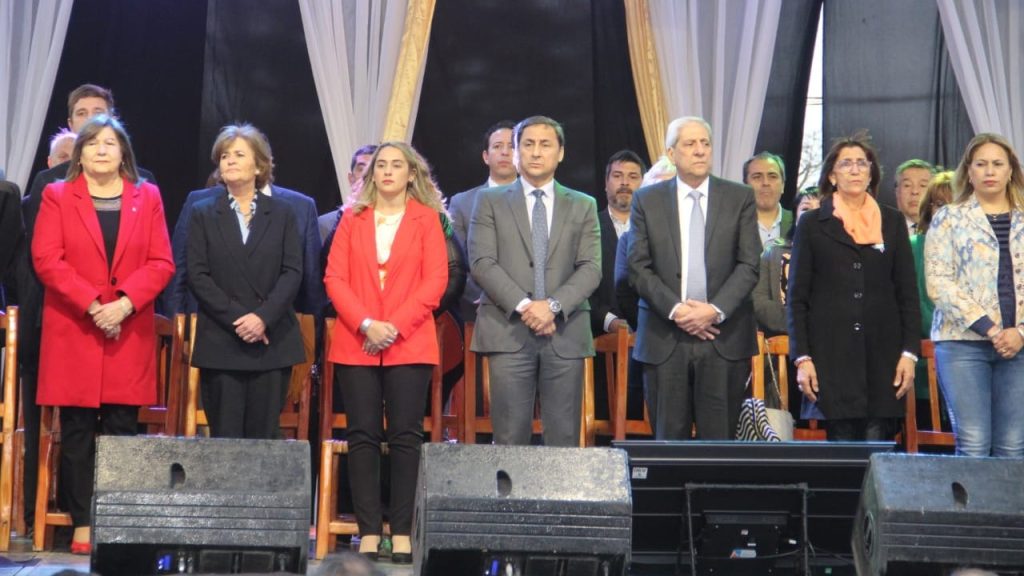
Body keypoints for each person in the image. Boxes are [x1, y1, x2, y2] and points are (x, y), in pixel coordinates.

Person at [19, 83, 158, 534]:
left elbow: (162, 262)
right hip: (75, 328)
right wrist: (95, 305)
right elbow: (46, 259)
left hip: (126, 330)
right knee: (77, 431)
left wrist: (123, 305)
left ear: (124, 153)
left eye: (111, 143)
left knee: (121, 431)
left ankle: (115, 522)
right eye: (93, 143)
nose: (102, 149)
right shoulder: (57, 196)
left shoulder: (148, 197)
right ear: (78, 153)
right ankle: (82, 522)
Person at [324, 142, 448, 563]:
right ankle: (369, 531)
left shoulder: (427, 219)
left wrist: (393, 326)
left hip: (409, 339)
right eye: (382, 166)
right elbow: (334, 278)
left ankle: (402, 532)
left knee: (405, 436)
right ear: (371, 174)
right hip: (356, 339)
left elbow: (435, 281)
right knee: (361, 435)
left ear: (412, 173)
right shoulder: (352, 219)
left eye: (397, 165)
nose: (389, 172)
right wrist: (365, 323)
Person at [468, 115, 601, 447]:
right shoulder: (489, 202)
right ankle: (511, 502)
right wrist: (528, 307)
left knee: (564, 439)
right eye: (527, 144)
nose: (536, 152)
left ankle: (562, 501)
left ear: (561, 153)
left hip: (565, 331)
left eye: (546, 144)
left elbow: (591, 267)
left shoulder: (584, 205)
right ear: (515, 153)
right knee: (510, 438)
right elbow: (483, 263)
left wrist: (553, 307)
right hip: (508, 328)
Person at [628, 116, 761, 440]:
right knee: (668, 446)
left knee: (720, 447)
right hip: (665, 337)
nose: (700, 151)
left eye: (705, 143)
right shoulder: (646, 199)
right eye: (690, 144)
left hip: (722, 337)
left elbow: (749, 264)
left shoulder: (739, 197)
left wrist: (712, 310)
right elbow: (637, 267)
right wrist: (678, 311)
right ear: (671, 154)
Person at [788, 134, 920, 441]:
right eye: (846, 163)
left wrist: (909, 354)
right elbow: (797, 298)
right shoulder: (811, 223)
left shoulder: (892, 222)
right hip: (831, 358)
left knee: (879, 456)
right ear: (832, 175)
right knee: (843, 459)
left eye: (862, 163)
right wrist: (802, 358)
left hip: (883, 358)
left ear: (871, 173)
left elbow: (907, 295)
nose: (855, 169)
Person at [186, 124, 305, 439]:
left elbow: (292, 271)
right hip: (223, 339)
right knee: (225, 440)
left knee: (263, 440)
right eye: (225, 156)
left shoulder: (283, 213)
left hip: (271, 341)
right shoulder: (202, 212)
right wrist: (239, 319)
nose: (230, 161)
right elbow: (197, 274)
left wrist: (262, 318)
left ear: (260, 165)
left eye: (239, 154)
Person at [925, 133, 1024, 457]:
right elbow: (939, 282)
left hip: (1020, 347)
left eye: (997, 164)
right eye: (981, 164)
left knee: (1012, 447)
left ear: (1011, 170)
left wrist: (1019, 333)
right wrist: (992, 329)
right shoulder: (949, 218)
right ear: (968, 172)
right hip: (961, 344)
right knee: (974, 444)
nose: (989, 171)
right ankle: (973, 511)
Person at [450, 121, 516, 322]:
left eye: (512, 146)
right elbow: (457, 263)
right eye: (497, 146)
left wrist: (519, 300)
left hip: (529, 309)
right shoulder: (462, 203)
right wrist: (484, 298)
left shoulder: (536, 200)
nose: (505, 152)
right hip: (478, 310)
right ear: (486, 156)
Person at [752, 186, 821, 337]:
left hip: (826, 344)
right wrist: (798, 325)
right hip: (780, 342)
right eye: (806, 209)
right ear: (795, 216)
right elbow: (759, 301)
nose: (813, 216)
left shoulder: (842, 256)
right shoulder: (772, 251)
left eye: (820, 209)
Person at [318, 145, 378, 243]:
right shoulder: (326, 224)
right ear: (351, 179)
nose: (367, 176)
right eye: (362, 169)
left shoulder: (396, 221)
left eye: (373, 170)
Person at [743, 151, 793, 247]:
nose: (765, 183)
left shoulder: (798, 223)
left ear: (783, 185)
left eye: (772, 177)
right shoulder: (733, 225)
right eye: (757, 177)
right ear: (745, 185)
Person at [893, 159, 935, 234]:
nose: (915, 191)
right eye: (907, 185)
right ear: (897, 192)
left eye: (923, 185)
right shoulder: (882, 229)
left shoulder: (943, 230)